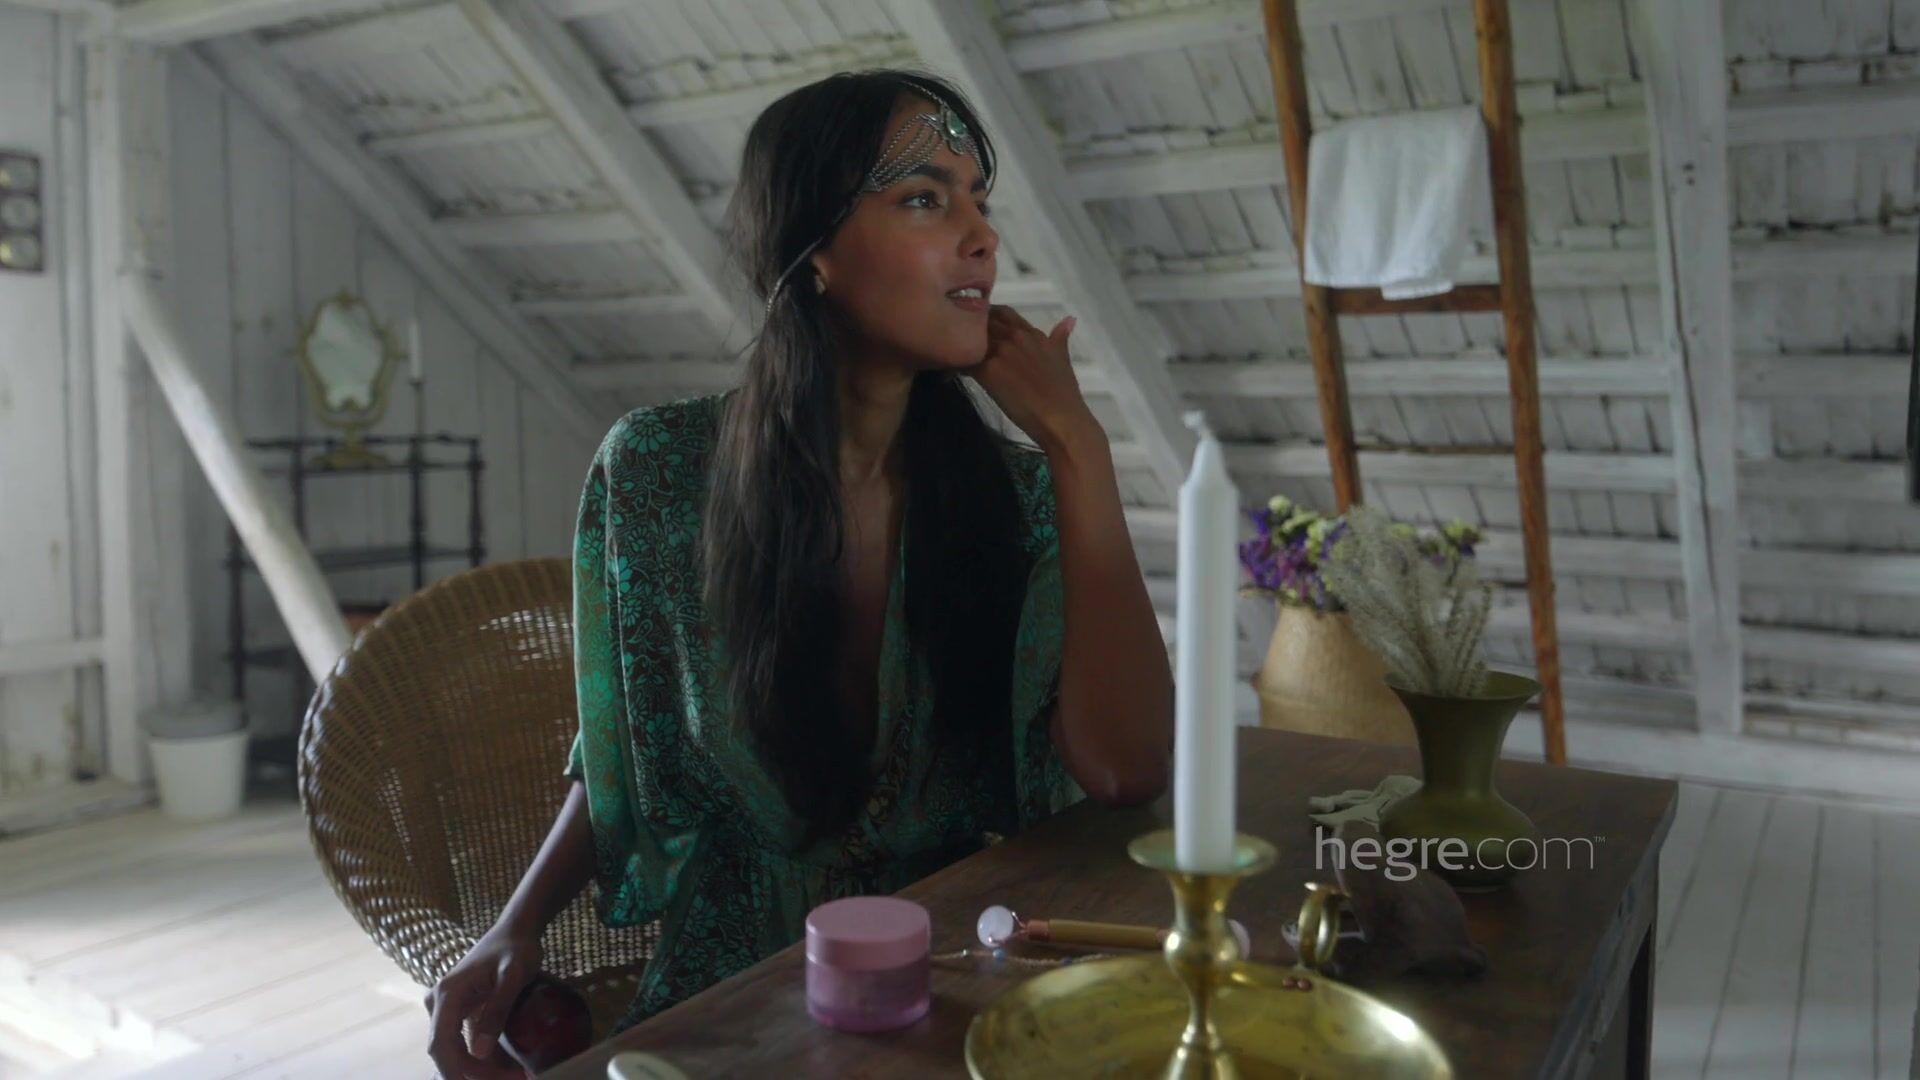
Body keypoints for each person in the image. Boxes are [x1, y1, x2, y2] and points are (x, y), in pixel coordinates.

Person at [426, 69, 1173, 1079]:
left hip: (961, 979)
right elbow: (624, 749)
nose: (983, 238)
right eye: (926, 199)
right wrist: (513, 927)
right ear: (813, 248)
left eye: (979, 200)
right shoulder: (656, 474)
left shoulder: (1025, 499)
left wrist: (1080, 448)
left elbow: (1127, 771)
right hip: (733, 994)